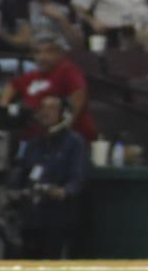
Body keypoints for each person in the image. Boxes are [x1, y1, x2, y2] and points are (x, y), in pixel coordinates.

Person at [7, 94, 89, 259]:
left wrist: (63, 191)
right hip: (31, 216)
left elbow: (78, 178)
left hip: (58, 216)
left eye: (52, 108)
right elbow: (21, 174)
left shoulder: (74, 142)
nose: (46, 113)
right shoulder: (33, 143)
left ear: (63, 114)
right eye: (43, 108)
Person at [0, 36, 97, 142]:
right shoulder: (33, 76)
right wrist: (4, 108)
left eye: (49, 52)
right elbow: (11, 86)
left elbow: (78, 98)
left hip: (66, 140)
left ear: (60, 54)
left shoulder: (67, 71)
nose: (42, 57)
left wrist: (60, 129)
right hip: (34, 138)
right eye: (37, 52)